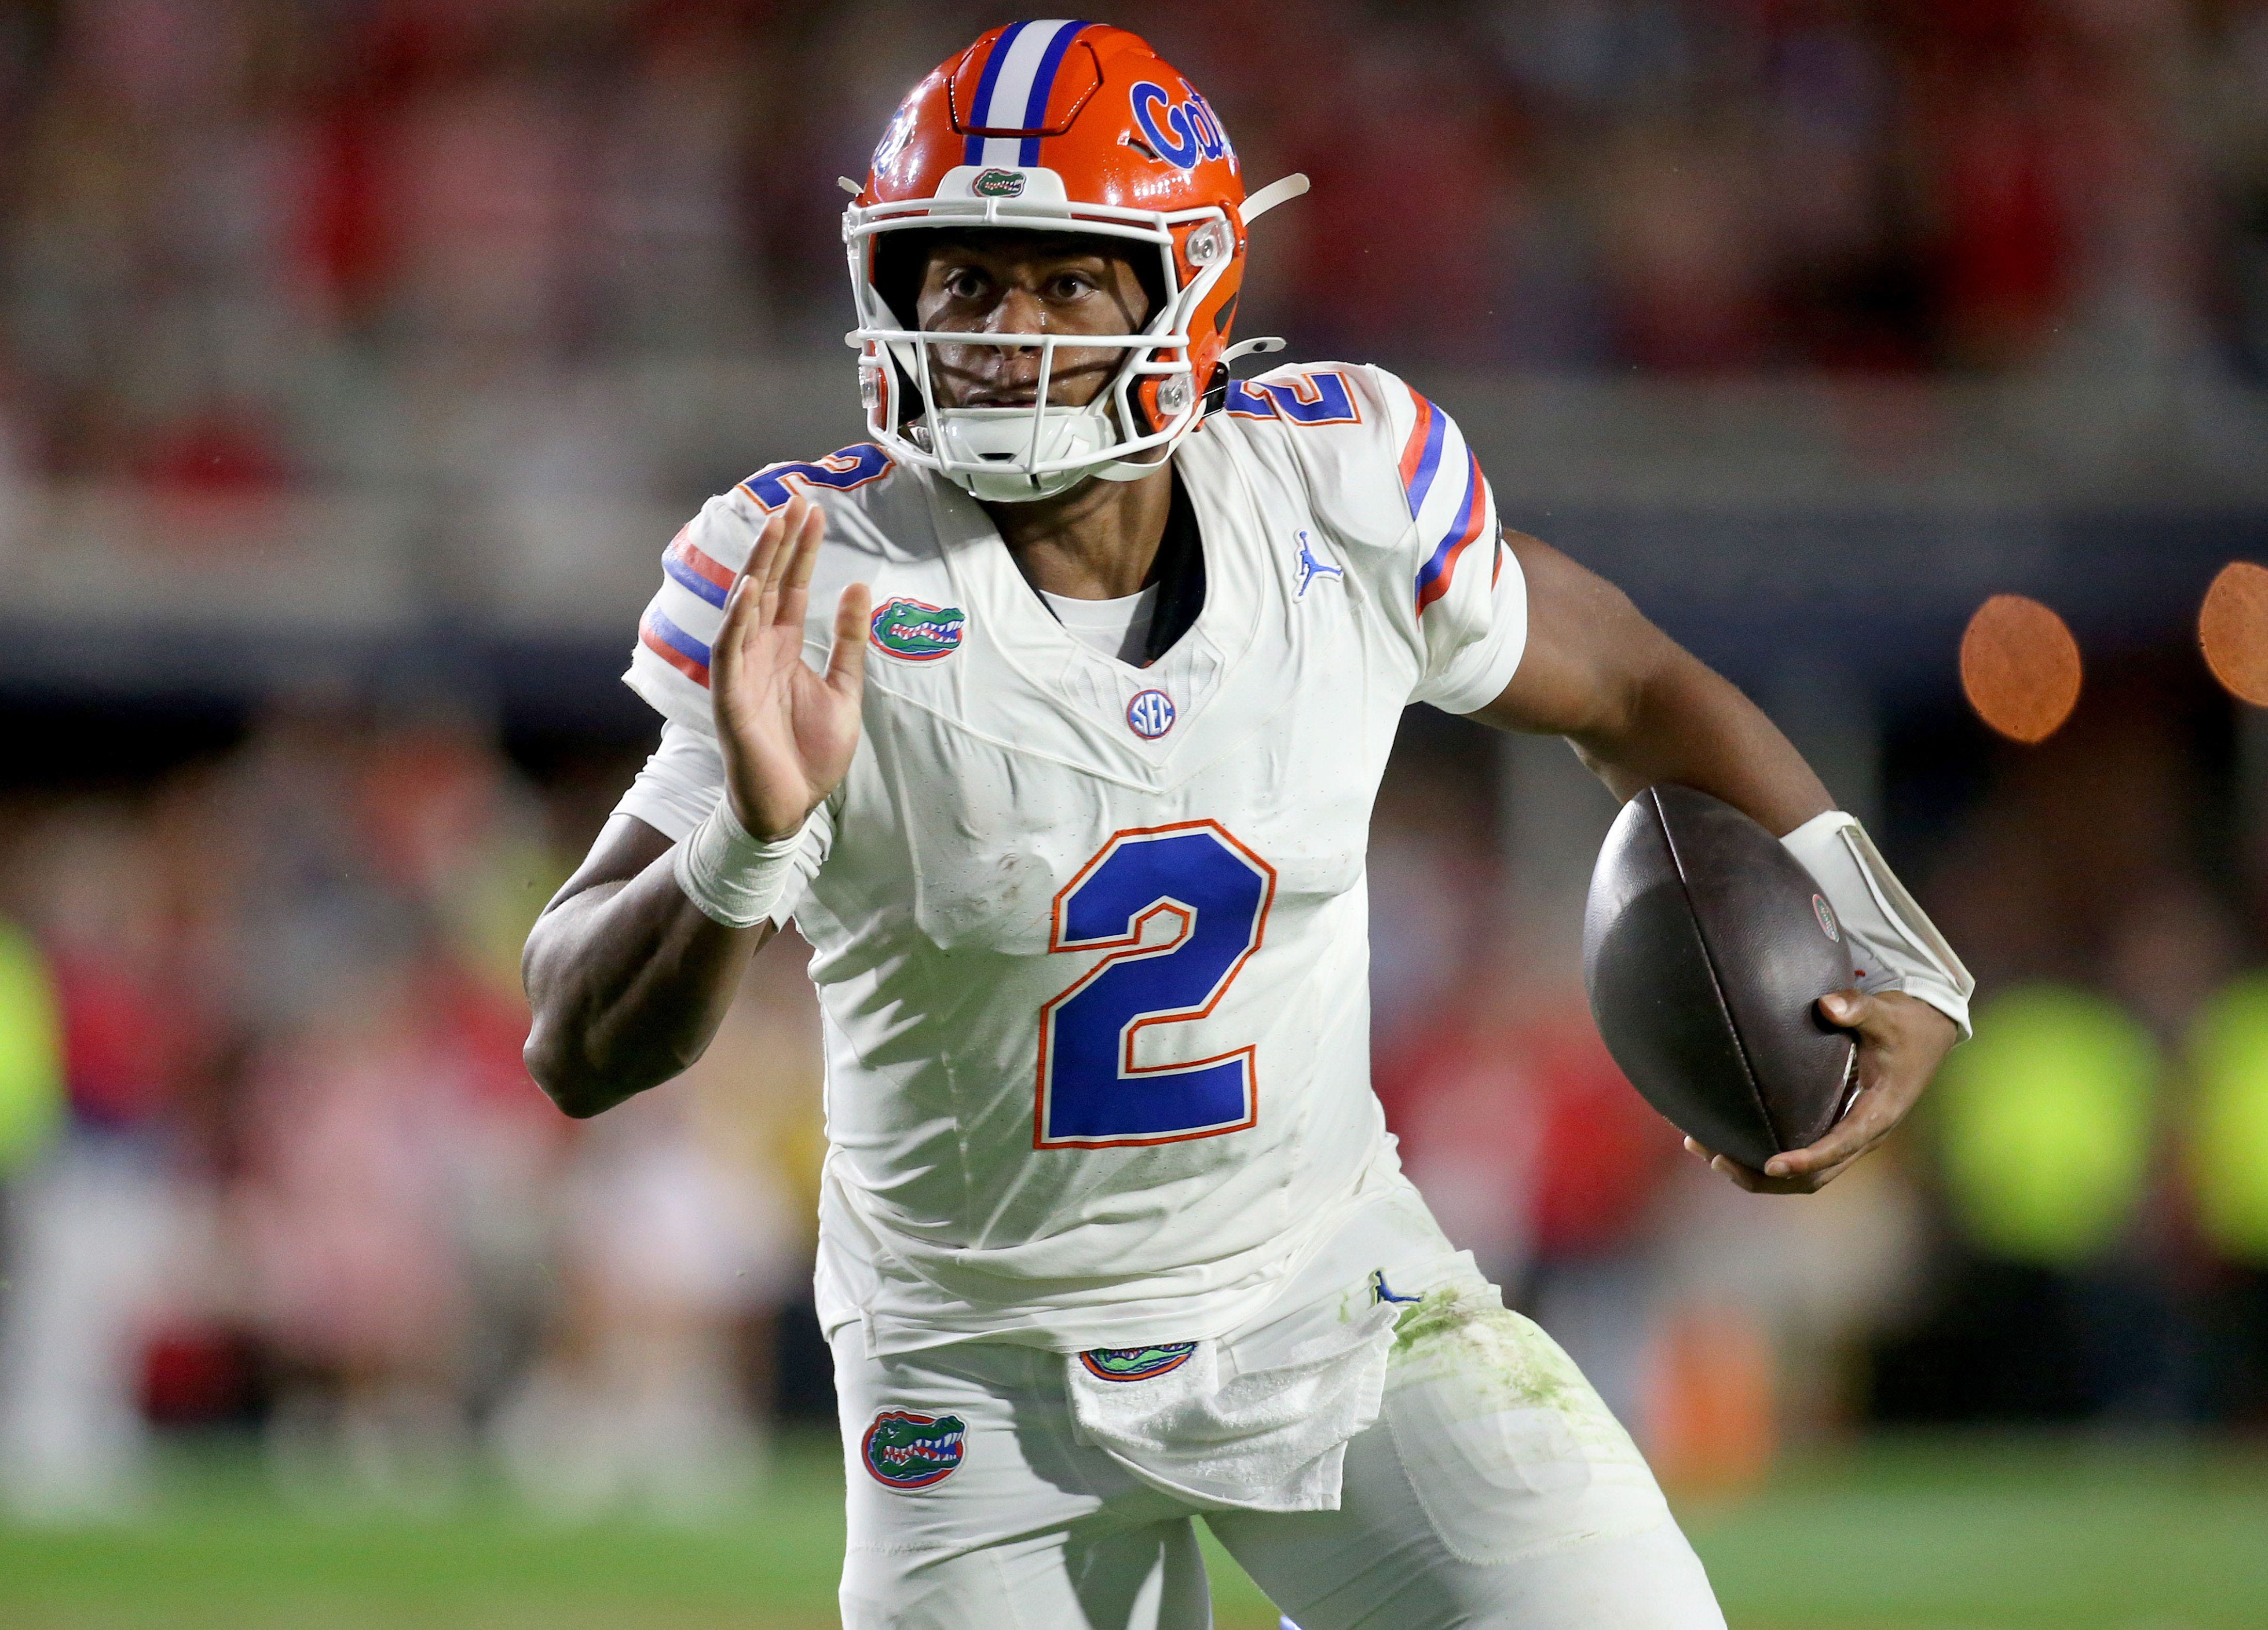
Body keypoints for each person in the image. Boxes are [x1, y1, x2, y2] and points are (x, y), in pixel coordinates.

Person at [523, 22, 1971, 1628]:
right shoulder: (813, 570)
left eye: (1065, 280)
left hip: (1327, 1298)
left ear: (1184, 291)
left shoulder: (1335, 493)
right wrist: (743, 838)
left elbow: (1628, 684)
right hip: (976, 1375)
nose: (1004, 334)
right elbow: (574, 1044)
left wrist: (1880, 936)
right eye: (963, 281)